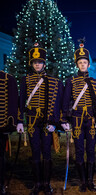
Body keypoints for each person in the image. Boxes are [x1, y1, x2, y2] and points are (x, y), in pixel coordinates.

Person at [61, 39, 96, 192]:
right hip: (76, 121)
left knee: (91, 151)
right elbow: (65, 101)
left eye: (85, 62)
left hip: (91, 121)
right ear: (77, 64)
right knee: (79, 151)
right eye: (80, 62)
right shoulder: (70, 82)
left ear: (89, 64)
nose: (82, 64)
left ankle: (90, 181)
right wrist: (64, 120)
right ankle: (82, 181)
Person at [17, 43, 63, 195]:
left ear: (44, 63)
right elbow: (21, 100)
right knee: (35, 151)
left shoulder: (52, 80)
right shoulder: (26, 80)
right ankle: (37, 184)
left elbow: (57, 103)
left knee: (47, 153)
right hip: (31, 121)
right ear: (32, 64)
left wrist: (55, 123)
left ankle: (47, 183)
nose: (37, 64)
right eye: (35, 62)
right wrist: (19, 121)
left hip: (46, 122)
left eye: (40, 62)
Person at [0, 70, 18, 195]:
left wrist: (10, 123)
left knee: (0, 157)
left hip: (0, 125)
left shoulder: (7, 78)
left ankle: (0, 184)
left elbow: (12, 102)